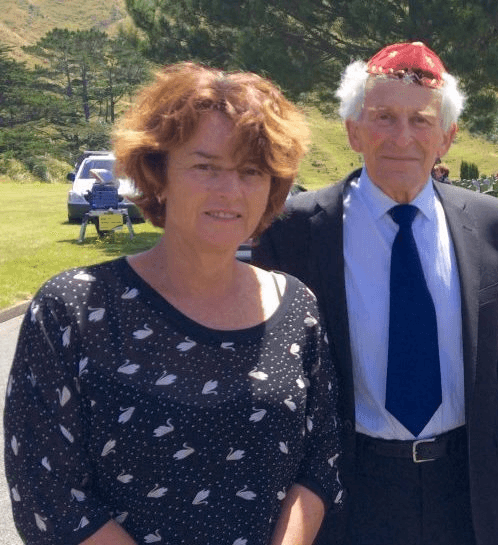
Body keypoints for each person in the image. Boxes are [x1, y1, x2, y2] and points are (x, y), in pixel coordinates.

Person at [4, 62, 342, 545]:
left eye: (251, 171)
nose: (229, 190)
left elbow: (321, 462)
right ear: (157, 174)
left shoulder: (296, 308)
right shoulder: (72, 308)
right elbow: (49, 497)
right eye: (205, 166)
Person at [253, 42, 498, 545]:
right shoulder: (295, 232)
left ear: (446, 137)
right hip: (349, 492)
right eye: (383, 117)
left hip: (469, 490)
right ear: (353, 131)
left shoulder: (493, 225)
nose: (402, 136)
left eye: (421, 120)